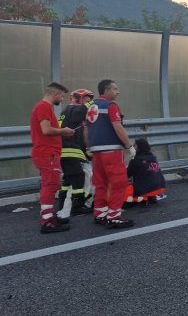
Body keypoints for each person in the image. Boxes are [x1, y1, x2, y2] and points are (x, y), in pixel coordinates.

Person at [84, 79, 135, 229]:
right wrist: (129, 146)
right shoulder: (111, 106)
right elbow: (117, 127)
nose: (117, 92)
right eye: (115, 89)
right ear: (106, 91)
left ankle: (100, 214)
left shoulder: (91, 107)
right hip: (111, 150)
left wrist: (88, 147)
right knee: (119, 182)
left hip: (96, 151)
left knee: (100, 183)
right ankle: (114, 216)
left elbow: (86, 130)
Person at [29, 82, 75, 233]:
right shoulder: (44, 107)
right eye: (61, 96)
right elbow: (46, 130)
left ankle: (48, 217)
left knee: (49, 184)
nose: (62, 99)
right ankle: (47, 221)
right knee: (50, 185)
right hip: (47, 153)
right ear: (54, 94)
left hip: (46, 153)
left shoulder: (42, 107)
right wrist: (64, 130)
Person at [56, 89, 95, 220]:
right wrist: (97, 102)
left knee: (68, 178)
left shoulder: (67, 111)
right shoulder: (75, 110)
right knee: (78, 176)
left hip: (66, 149)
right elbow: (85, 110)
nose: (89, 101)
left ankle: (62, 204)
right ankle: (77, 206)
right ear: (79, 99)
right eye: (87, 98)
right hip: (70, 149)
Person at [125, 138, 166, 205]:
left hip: (146, 189)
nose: (133, 147)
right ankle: (150, 197)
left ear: (139, 147)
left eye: (135, 145)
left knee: (122, 195)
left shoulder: (135, 160)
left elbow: (127, 175)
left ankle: (144, 198)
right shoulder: (153, 157)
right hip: (160, 187)